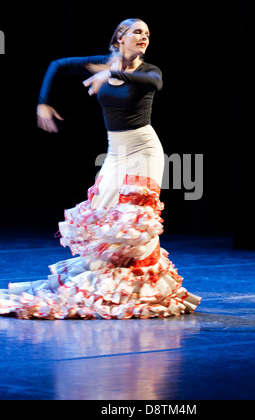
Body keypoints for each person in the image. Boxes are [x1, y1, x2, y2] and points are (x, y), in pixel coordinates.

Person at [0, 18, 202, 319]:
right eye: (137, 31)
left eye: (147, 33)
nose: (143, 37)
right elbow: (57, 64)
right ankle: (108, 279)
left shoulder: (149, 71)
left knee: (135, 217)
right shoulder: (99, 62)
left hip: (144, 150)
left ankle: (139, 286)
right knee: (106, 213)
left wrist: (112, 71)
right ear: (120, 37)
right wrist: (43, 102)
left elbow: (154, 83)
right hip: (115, 152)